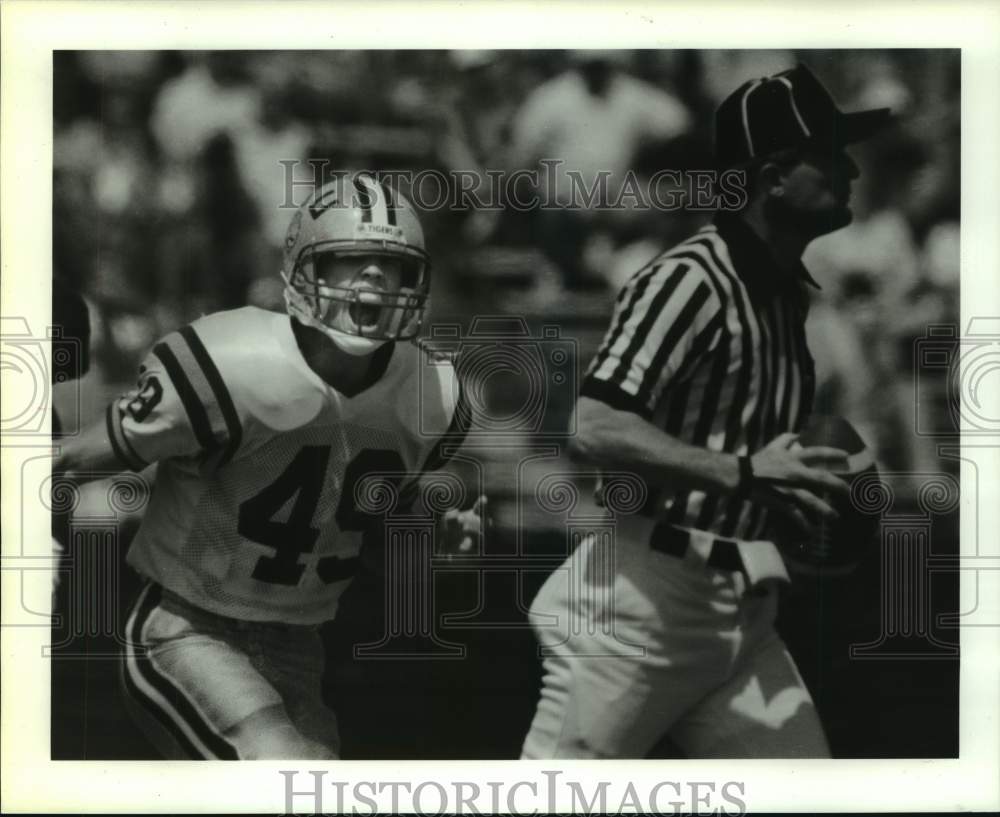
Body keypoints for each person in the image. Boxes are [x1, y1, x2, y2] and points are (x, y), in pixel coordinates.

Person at [520, 64, 891, 759]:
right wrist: (747, 473)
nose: (851, 171)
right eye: (831, 154)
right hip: (641, 605)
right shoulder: (689, 279)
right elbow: (593, 425)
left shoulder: (786, 295)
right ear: (775, 175)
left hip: (743, 609)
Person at [54, 173, 482, 760]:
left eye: (393, 264)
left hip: (299, 649)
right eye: (351, 258)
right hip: (187, 629)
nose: (375, 278)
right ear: (306, 270)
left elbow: (370, 530)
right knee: (278, 773)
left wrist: (432, 544)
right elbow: (80, 458)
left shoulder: (431, 393)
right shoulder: (232, 363)